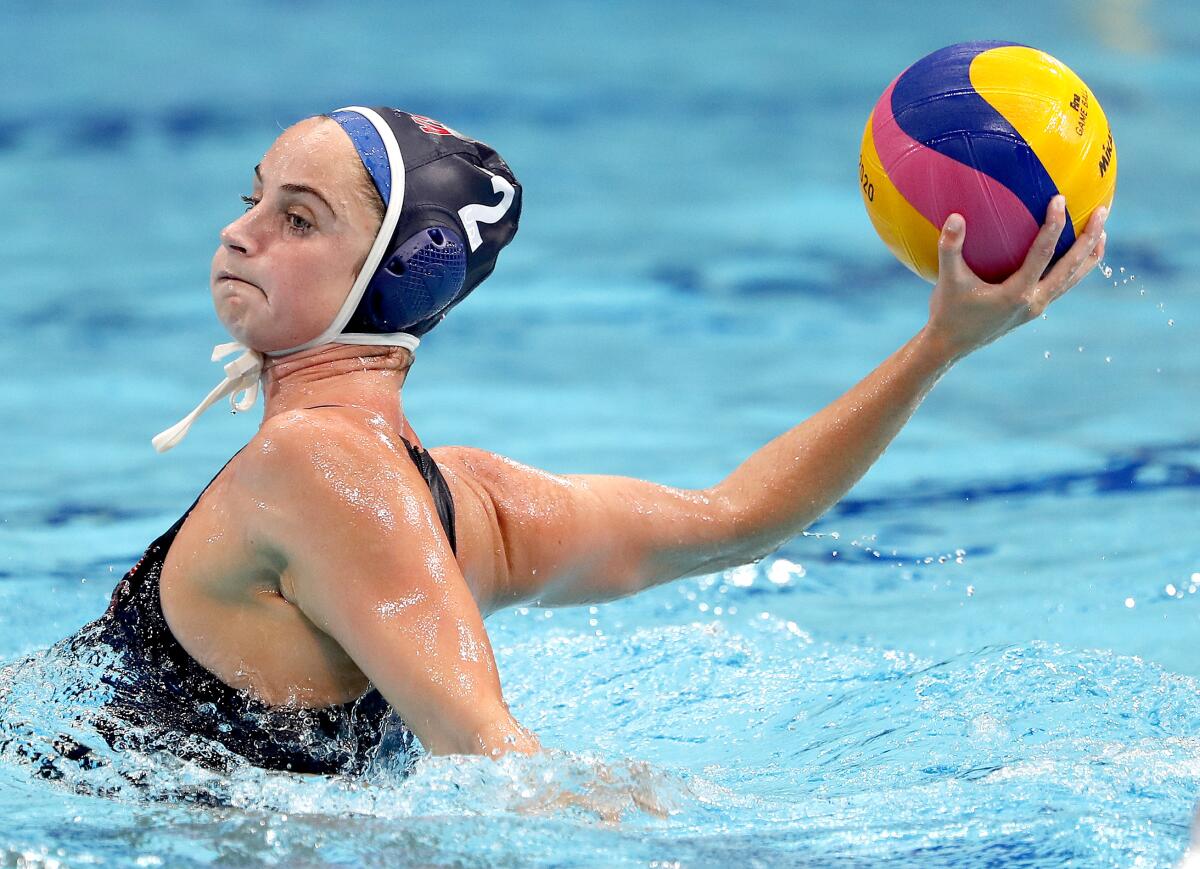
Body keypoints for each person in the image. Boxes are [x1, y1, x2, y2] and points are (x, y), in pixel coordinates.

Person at [63, 106, 1107, 777]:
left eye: (299, 220)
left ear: (392, 270)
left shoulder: (318, 467)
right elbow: (735, 519)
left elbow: (489, 756)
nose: (239, 232)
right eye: (251, 200)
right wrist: (938, 348)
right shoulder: (461, 506)